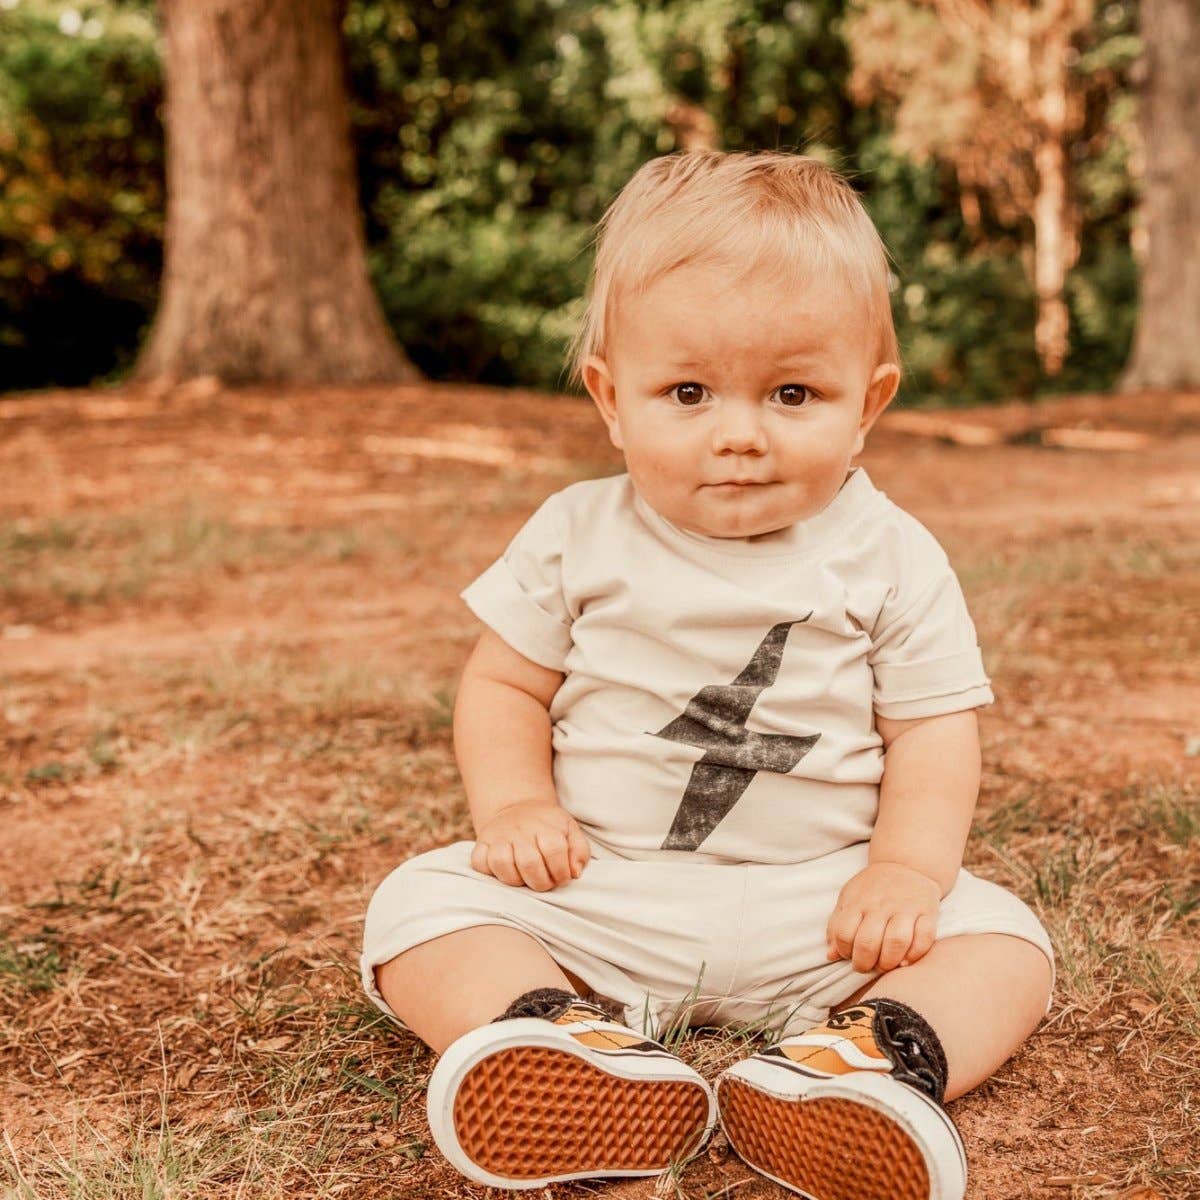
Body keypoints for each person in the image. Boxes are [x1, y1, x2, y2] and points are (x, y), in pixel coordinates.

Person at [360, 149, 1054, 1200]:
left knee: (1006, 940)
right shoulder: (574, 534)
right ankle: (560, 1037)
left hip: (823, 911)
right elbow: (503, 686)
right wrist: (513, 807)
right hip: (602, 894)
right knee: (416, 905)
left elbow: (932, 728)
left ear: (869, 402)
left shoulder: (892, 553)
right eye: (687, 391)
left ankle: (862, 1061)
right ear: (611, 398)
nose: (740, 436)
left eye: (793, 393)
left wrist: (906, 876)